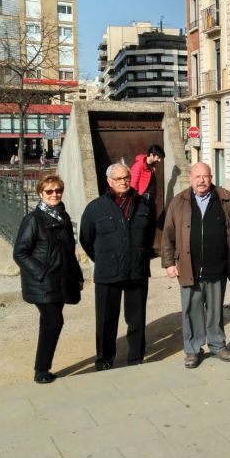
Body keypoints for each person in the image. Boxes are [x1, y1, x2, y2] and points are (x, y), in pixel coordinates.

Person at [162, 162, 230, 368]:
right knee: (191, 310)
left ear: (211, 177)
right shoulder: (178, 201)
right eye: (197, 176)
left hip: (217, 267)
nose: (201, 180)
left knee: (215, 310)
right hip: (188, 267)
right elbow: (168, 235)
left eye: (205, 176)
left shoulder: (225, 198)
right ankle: (192, 349)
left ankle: (218, 345)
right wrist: (168, 263)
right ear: (190, 179)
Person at [79, 163, 151, 371]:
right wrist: (104, 258)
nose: (123, 182)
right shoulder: (95, 208)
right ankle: (104, 360)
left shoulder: (143, 204)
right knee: (106, 320)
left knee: (136, 319)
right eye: (118, 179)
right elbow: (86, 239)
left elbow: (147, 237)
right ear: (109, 181)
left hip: (135, 270)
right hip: (108, 272)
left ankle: (136, 357)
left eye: (126, 177)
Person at [13, 174, 83, 384]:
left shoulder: (63, 217)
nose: (54, 195)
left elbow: (70, 251)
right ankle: (41, 370)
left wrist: (77, 276)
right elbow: (20, 252)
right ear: (41, 194)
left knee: (49, 322)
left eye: (58, 191)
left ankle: (43, 367)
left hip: (60, 280)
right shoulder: (33, 220)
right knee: (54, 321)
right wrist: (41, 273)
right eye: (49, 191)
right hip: (43, 282)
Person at [130, 144, 165, 258]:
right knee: (143, 226)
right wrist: (135, 201)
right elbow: (133, 185)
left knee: (151, 225)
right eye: (158, 157)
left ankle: (149, 250)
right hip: (142, 200)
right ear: (151, 155)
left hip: (151, 200)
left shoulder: (152, 167)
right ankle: (142, 251)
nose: (159, 160)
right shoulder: (138, 166)